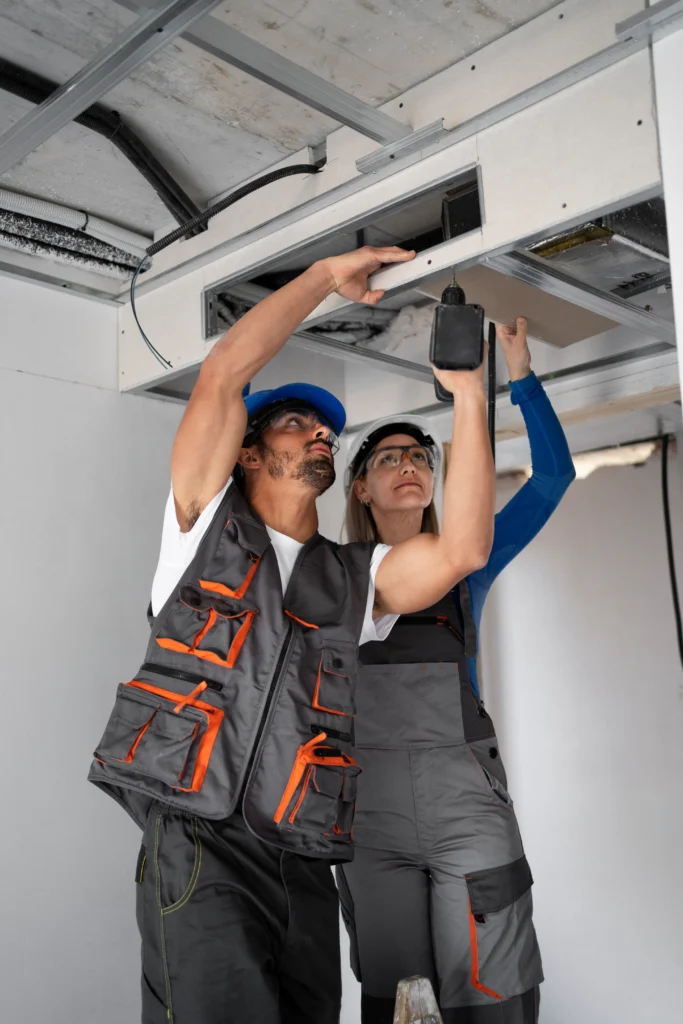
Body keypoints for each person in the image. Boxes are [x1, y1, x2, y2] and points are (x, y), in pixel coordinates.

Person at [88, 245, 497, 1024]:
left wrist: (470, 396)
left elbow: (461, 550)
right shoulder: (199, 526)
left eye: (326, 430)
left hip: (304, 855)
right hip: (202, 844)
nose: (319, 433)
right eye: (295, 422)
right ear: (247, 453)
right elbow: (222, 374)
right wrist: (318, 282)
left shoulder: (353, 575)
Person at [338, 316, 576, 1024]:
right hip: (369, 818)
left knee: (491, 993)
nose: (407, 463)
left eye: (418, 454)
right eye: (387, 458)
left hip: (465, 813)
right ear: (359, 489)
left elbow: (553, 477)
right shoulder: (328, 577)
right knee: (395, 1001)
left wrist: (521, 376)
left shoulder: (468, 560)